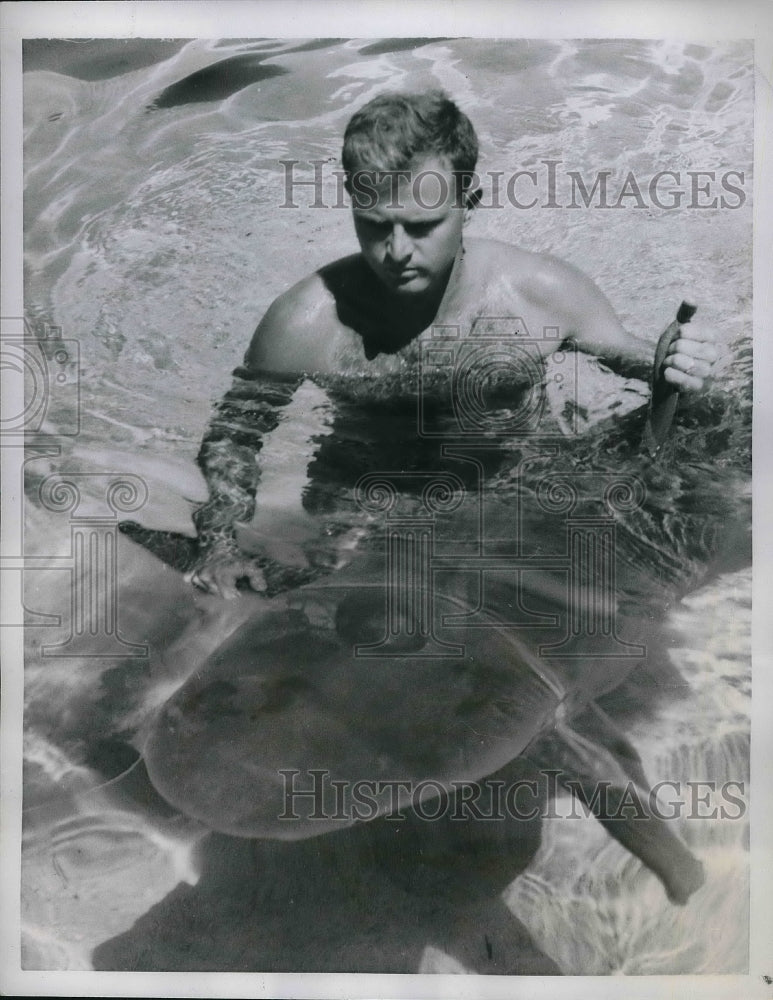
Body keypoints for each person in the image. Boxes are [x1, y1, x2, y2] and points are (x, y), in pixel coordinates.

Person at [189, 89, 717, 598]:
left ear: (470, 203)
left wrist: (677, 364)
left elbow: (646, 369)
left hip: (515, 487)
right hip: (360, 503)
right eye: (375, 226)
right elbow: (234, 437)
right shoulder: (303, 322)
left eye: (422, 227)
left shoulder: (539, 294)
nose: (396, 251)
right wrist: (217, 542)